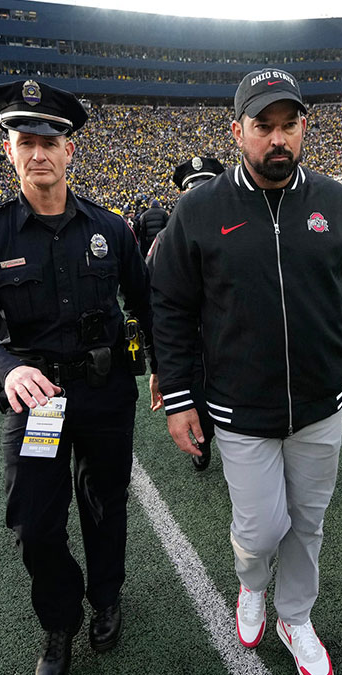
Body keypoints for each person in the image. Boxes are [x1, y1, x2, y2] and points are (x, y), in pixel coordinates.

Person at [150, 68, 342, 675]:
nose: (277, 139)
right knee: (259, 530)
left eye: (288, 125)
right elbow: (171, 306)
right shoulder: (200, 207)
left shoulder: (336, 200)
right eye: (264, 126)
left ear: (304, 127)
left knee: (308, 522)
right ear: (238, 131)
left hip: (319, 401)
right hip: (238, 405)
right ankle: (251, 582)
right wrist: (179, 397)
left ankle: (296, 614)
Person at [0, 79, 152, 675]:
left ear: (69, 151)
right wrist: (7, 370)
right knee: (34, 522)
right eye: (25, 139)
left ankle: (106, 596)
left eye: (49, 140)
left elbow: (147, 304)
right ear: (8, 150)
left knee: (103, 503)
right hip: (37, 402)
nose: (38, 151)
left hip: (106, 392)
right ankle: (59, 620)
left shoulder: (111, 227)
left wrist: (164, 370)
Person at [144, 154, 227, 472]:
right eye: (193, 190)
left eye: (205, 187)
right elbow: (154, 305)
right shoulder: (166, 240)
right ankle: (202, 443)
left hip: (232, 342)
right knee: (200, 414)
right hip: (191, 346)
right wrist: (159, 366)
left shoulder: (241, 231)